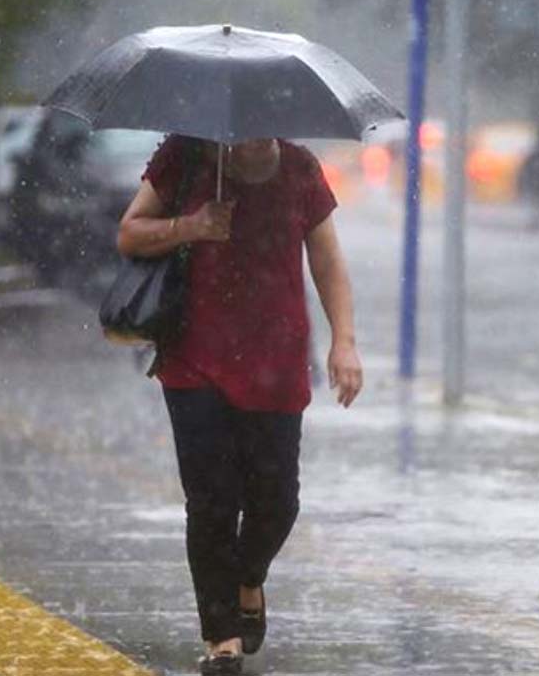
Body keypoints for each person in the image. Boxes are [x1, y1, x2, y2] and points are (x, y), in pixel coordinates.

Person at [116, 135, 363, 675]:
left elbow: (326, 259)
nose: (255, 132)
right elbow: (130, 233)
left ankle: (249, 578)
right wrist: (193, 226)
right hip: (195, 358)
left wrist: (343, 340)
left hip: (276, 360)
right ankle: (220, 635)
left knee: (278, 501)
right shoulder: (187, 156)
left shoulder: (299, 168)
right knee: (211, 502)